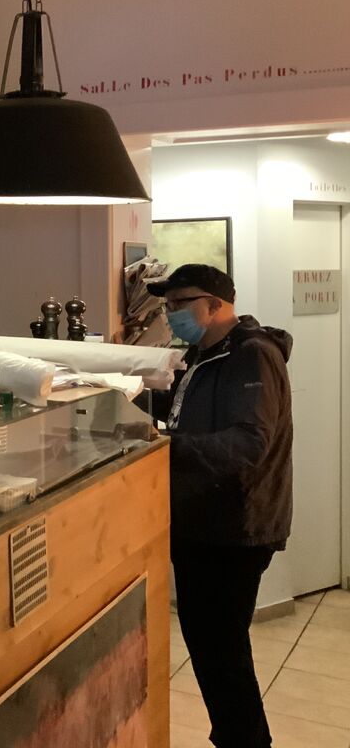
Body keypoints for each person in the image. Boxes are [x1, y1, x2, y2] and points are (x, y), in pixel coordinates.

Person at [145, 264, 293, 748]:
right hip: (199, 524)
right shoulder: (199, 355)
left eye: (180, 303)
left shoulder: (252, 355)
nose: (171, 313)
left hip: (234, 527)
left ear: (216, 304)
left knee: (222, 655)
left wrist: (165, 447)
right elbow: (180, 413)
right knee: (212, 651)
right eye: (167, 305)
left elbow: (249, 442)